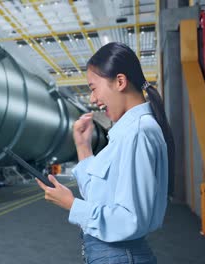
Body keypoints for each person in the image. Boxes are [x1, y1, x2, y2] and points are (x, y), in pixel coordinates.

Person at [36, 42, 175, 264]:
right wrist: (83, 146)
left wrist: (71, 204)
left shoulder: (137, 133)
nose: (92, 99)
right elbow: (99, 199)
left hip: (119, 255)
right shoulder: (127, 133)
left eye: (93, 88)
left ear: (120, 81)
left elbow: (130, 220)